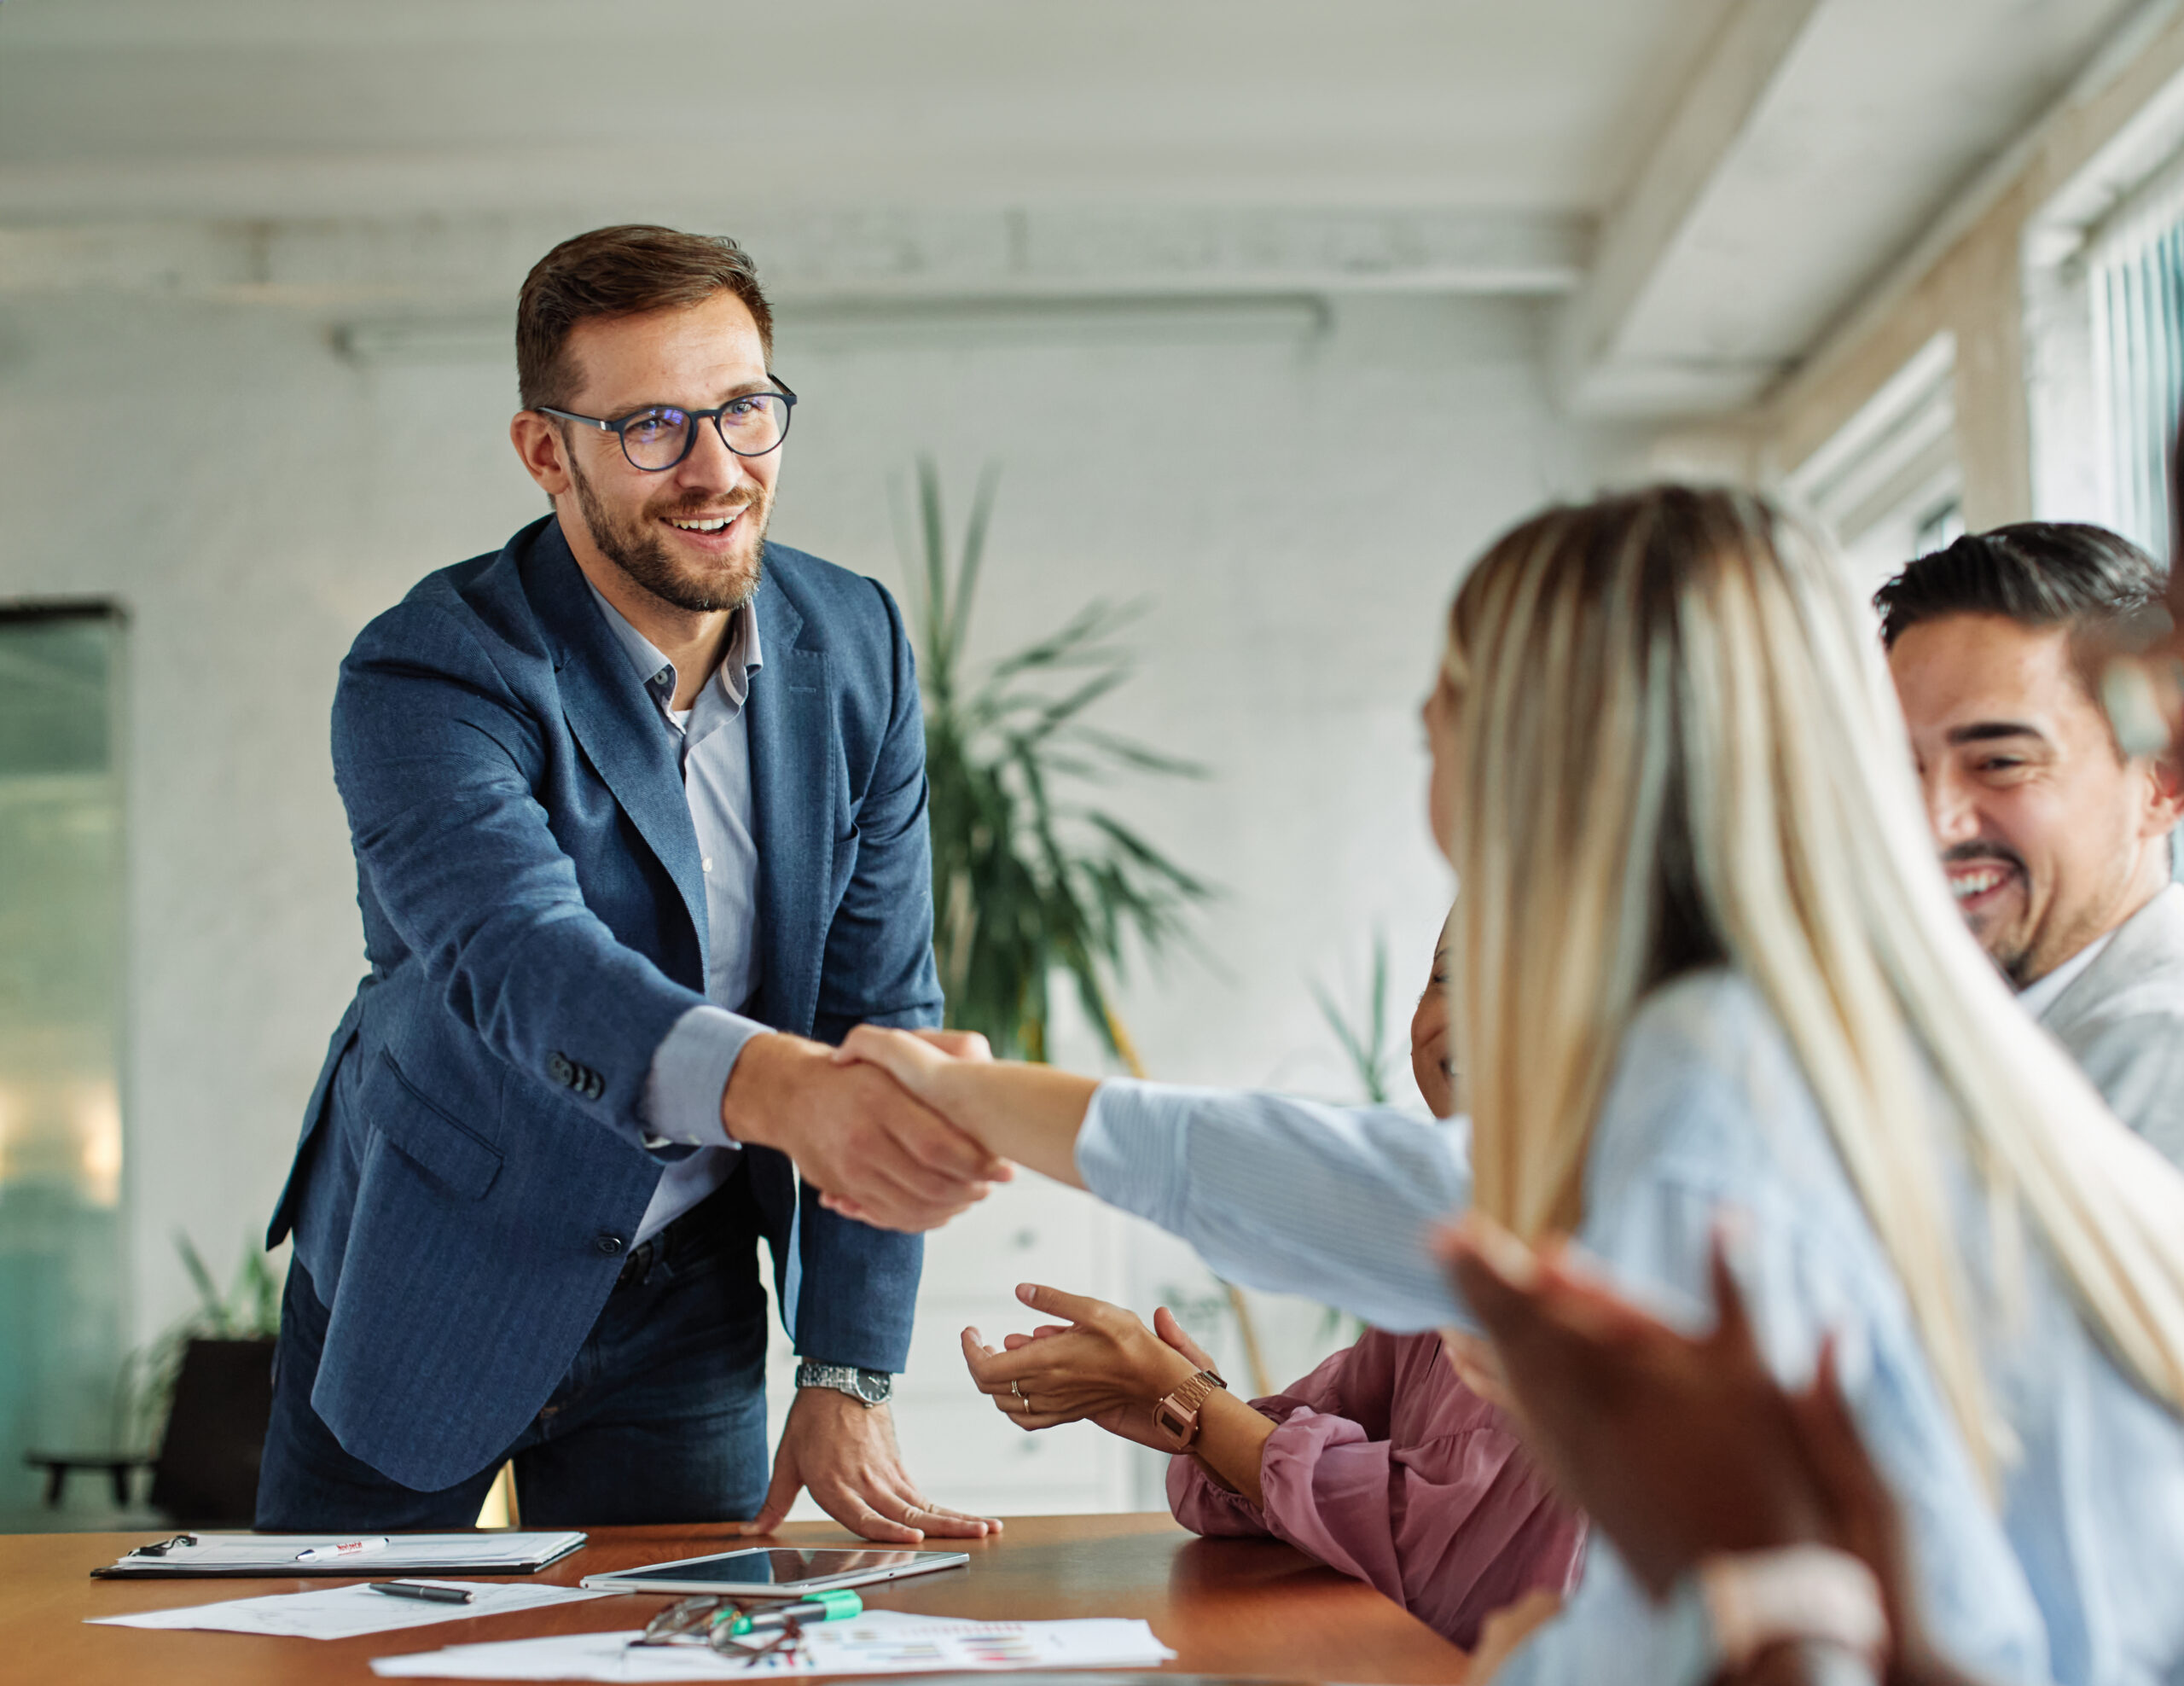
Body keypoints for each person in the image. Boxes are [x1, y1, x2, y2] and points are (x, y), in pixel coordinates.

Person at [839, 486, 2184, 1685]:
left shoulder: (1725, 1061)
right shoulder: (1835, 1039)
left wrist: (970, 1099)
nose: (1428, 717)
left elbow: (1410, 1205)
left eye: (1460, 687)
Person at [258, 225, 1008, 1539]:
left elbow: (876, 1005)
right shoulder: (431, 669)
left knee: (673, 1650)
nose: (718, 470)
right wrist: (791, 1093)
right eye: (653, 426)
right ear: (547, 451)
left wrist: (844, 1369)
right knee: (343, 1647)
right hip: (431, 1254)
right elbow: (519, 954)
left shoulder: (860, 645)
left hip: (687, 1286)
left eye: (746, 411)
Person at [959, 923, 1582, 1648]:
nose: (1471, 1015)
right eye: (1447, 978)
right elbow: (1255, 1493)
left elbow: (1426, 1570)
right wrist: (1187, 1407)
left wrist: (1189, 1406)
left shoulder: (1596, 1283)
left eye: (1516, 978)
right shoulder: (1436, 1268)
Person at [1877, 525, 2184, 1162]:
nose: (1937, 824)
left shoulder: (2159, 1058)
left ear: (2161, 782)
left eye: (2000, 763)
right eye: (1904, 768)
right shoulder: (1963, 1032)